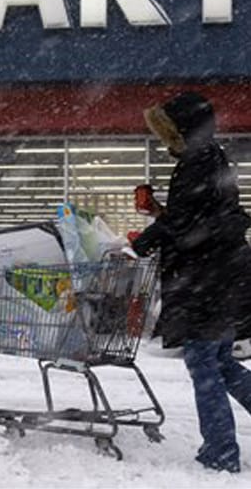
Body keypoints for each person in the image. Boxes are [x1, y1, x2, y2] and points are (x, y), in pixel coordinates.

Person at [131, 91, 251, 473]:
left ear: (182, 128)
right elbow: (200, 216)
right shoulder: (209, 156)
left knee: (204, 364)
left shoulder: (197, 161)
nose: (163, 139)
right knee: (222, 363)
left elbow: (186, 223)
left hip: (208, 280)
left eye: (167, 131)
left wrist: (144, 242)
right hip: (225, 276)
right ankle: (220, 447)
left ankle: (221, 451)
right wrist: (159, 214)